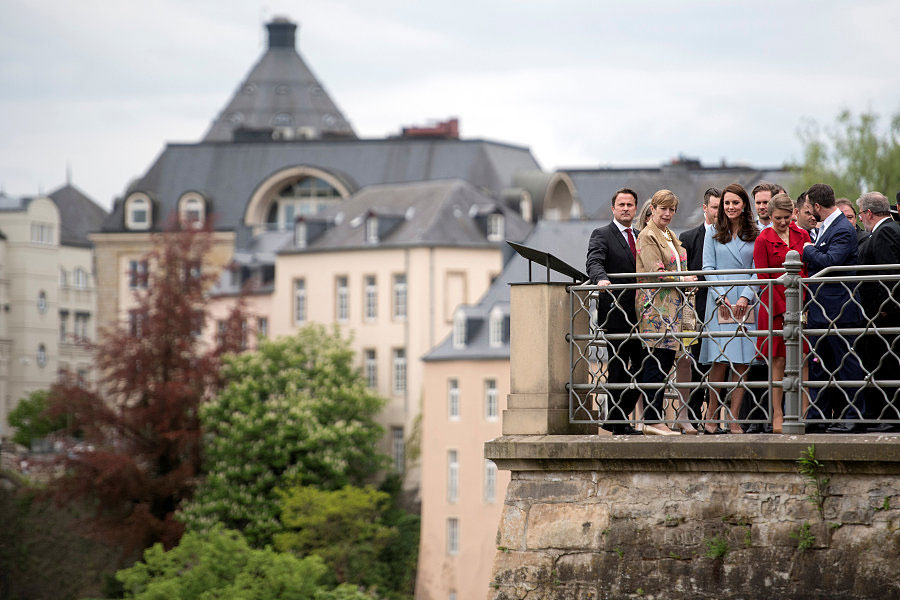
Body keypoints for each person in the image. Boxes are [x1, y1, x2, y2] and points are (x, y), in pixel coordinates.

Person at [802, 183, 867, 433]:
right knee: (821, 365)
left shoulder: (842, 229)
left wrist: (807, 249)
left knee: (848, 364)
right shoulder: (828, 227)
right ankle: (818, 417)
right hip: (823, 309)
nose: (809, 213)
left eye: (809, 208)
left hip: (840, 309)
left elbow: (831, 262)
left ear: (817, 206)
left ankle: (854, 417)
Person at [634, 189, 697, 436]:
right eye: (664, 208)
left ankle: (656, 419)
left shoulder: (669, 235)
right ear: (653, 209)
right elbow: (656, 271)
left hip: (672, 309)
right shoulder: (648, 235)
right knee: (655, 363)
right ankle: (652, 419)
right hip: (655, 309)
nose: (668, 213)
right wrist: (685, 278)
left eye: (672, 209)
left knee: (665, 362)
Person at [700, 183, 759, 434]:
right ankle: (711, 416)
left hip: (746, 301)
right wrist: (721, 295)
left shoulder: (756, 233)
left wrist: (746, 296)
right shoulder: (712, 232)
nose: (731, 207)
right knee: (720, 360)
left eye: (735, 202)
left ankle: (734, 418)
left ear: (744, 204)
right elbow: (707, 268)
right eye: (727, 203)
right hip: (719, 302)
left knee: (742, 362)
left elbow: (759, 268)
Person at [586, 188, 644, 435]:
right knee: (619, 367)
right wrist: (601, 279)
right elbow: (594, 261)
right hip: (616, 311)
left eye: (630, 205)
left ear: (635, 208)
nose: (626, 208)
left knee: (647, 366)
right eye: (621, 204)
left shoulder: (642, 236)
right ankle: (620, 422)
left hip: (643, 313)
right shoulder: (602, 234)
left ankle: (614, 418)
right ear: (613, 208)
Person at [753, 193, 811, 433]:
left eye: (787, 217)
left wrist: (802, 302)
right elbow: (763, 278)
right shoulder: (763, 239)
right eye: (778, 218)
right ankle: (778, 413)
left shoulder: (803, 235)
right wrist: (785, 305)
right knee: (777, 360)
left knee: (804, 360)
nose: (783, 222)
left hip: (803, 304)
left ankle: (804, 414)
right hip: (775, 307)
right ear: (770, 215)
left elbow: (809, 270)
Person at [856, 191, 900, 432]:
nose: (861, 219)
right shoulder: (891, 229)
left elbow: (889, 274)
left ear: (869, 213)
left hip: (886, 316)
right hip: (883, 315)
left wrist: (884, 309)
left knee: (888, 364)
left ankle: (890, 418)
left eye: (861, 214)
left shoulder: (884, 232)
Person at [678, 187, 720, 429]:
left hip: (722, 311)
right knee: (695, 366)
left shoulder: (728, 236)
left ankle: (716, 419)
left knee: (720, 364)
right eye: (713, 207)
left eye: (719, 207)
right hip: (694, 311)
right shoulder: (688, 237)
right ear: (705, 208)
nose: (717, 212)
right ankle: (692, 418)